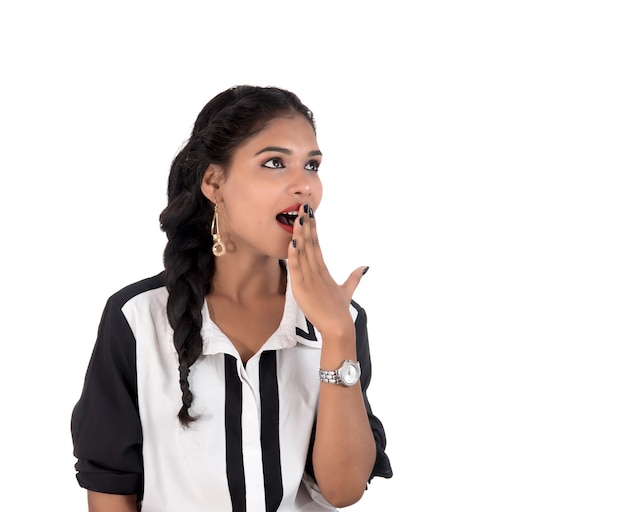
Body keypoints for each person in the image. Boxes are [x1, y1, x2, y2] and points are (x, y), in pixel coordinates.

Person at [71, 85, 392, 512]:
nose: (305, 186)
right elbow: (111, 486)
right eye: (275, 163)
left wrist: (337, 336)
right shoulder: (138, 317)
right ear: (214, 182)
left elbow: (343, 489)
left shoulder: (341, 318)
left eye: (312, 165)